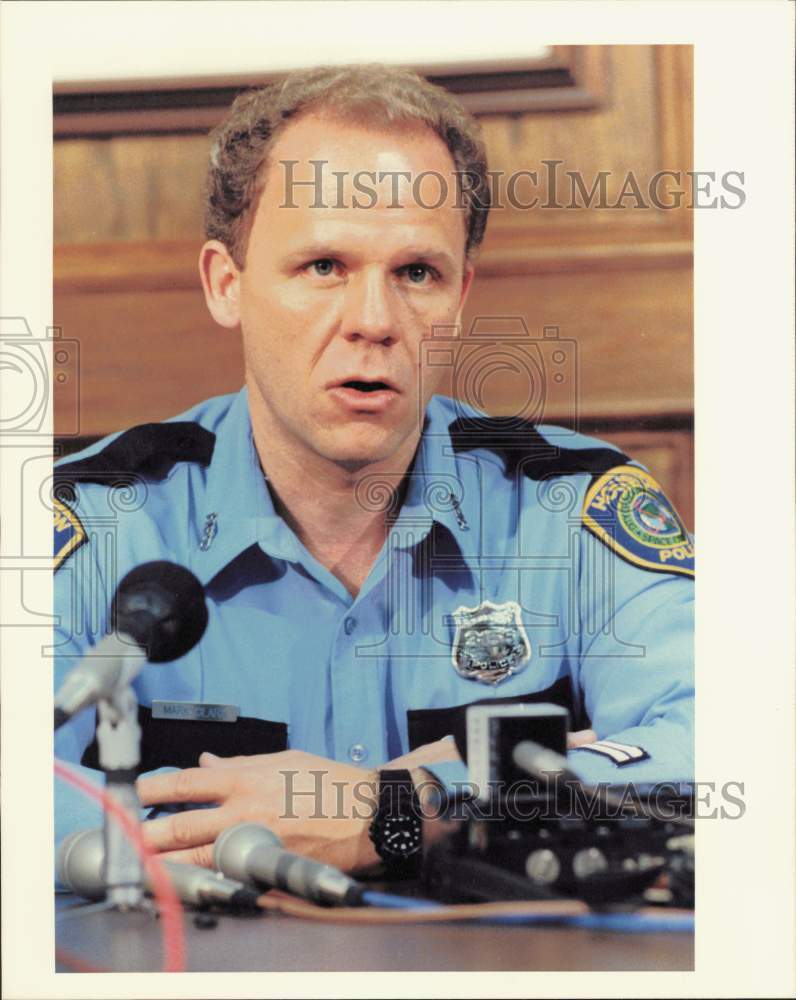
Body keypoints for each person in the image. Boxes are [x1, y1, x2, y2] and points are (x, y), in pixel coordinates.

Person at [53, 64, 694, 878]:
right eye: (324, 267)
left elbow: (723, 740)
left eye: (416, 274)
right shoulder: (101, 519)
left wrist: (405, 805)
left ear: (460, 297)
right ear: (226, 285)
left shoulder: (571, 510)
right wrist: (245, 846)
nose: (373, 322)